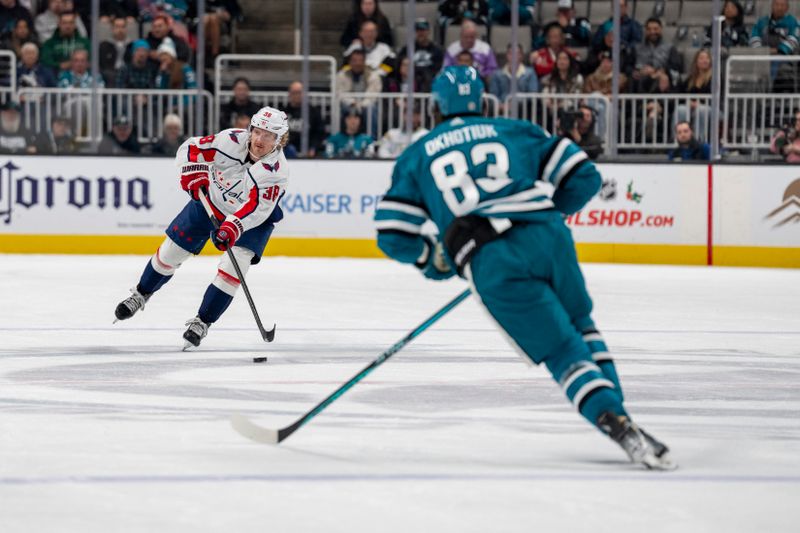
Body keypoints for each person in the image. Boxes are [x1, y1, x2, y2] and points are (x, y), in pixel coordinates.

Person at [374, 65, 675, 470]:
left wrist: (433, 260)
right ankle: (622, 416)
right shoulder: (514, 129)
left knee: (562, 350)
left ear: (436, 107)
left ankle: (614, 421)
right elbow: (584, 176)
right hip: (547, 236)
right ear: (481, 100)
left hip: (492, 259)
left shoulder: (416, 154)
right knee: (582, 325)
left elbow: (392, 233)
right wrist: (549, 215)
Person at [114, 107, 291, 348]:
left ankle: (202, 322)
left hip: (250, 223)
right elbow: (190, 148)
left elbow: (255, 210)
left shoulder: (277, 172)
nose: (259, 140)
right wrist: (190, 172)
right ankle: (141, 293)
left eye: (268, 135)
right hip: (211, 202)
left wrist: (231, 228)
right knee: (170, 252)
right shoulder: (230, 140)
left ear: (279, 139)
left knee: (232, 270)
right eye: (257, 131)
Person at [632, 18, 683, 93]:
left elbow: (676, 65)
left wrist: (660, 71)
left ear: (661, 29)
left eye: (655, 29)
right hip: (640, 77)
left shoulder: (670, 47)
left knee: (663, 79)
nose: (652, 32)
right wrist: (636, 72)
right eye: (649, 29)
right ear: (646, 31)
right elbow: (628, 66)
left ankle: (655, 103)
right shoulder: (637, 48)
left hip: (661, 76)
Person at [674, 49, 713, 142]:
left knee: (701, 110)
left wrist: (700, 103)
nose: (704, 60)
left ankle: (699, 141)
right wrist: (688, 102)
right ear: (696, 61)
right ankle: (677, 140)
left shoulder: (715, 78)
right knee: (681, 109)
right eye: (701, 58)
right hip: (691, 108)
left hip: (712, 109)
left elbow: (717, 98)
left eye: (707, 58)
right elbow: (681, 94)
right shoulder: (690, 78)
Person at [279, 81, 325, 157]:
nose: (297, 95)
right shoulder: (282, 113)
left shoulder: (314, 112)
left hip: (308, 152)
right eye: (294, 93)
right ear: (289, 94)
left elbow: (319, 133)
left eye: (299, 92)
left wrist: (313, 148)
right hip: (286, 152)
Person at [397, 18, 443, 92]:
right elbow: (399, 64)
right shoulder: (407, 49)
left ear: (428, 31)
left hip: (429, 80)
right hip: (411, 79)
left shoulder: (436, 50)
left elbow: (438, 69)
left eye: (423, 30)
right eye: (418, 30)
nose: (420, 33)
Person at [489, 44, 539, 110]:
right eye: (511, 53)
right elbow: (493, 95)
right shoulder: (497, 74)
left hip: (523, 110)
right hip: (501, 110)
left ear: (522, 56)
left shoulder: (530, 73)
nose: (514, 56)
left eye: (517, 53)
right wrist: (501, 106)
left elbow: (532, 94)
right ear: (507, 55)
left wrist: (514, 105)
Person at [99, 16, 131, 86]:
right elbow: (102, 65)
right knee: (109, 74)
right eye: (117, 27)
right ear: (112, 29)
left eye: (123, 27)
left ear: (126, 29)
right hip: (110, 75)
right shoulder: (103, 45)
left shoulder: (131, 45)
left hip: (127, 75)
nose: (120, 30)